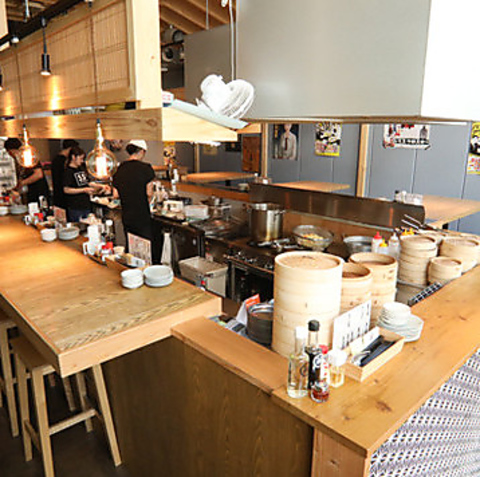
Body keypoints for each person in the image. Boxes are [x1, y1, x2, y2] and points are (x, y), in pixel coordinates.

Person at [112, 140, 155, 242]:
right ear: (142, 151)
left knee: (131, 243)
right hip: (141, 215)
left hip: (127, 215)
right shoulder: (146, 168)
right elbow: (149, 193)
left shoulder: (120, 168)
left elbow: (115, 194)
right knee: (144, 245)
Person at [63, 146, 104, 222]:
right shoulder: (68, 172)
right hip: (75, 207)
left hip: (86, 204)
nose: (82, 161)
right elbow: (66, 190)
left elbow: (87, 182)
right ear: (73, 157)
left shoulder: (81, 168)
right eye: (80, 158)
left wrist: (100, 186)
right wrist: (84, 190)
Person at [4, 137, 50, 204]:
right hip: (30, 193)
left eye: (9, 152)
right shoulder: (19, 160)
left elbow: (39, 174)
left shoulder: (28, 156)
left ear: (12, 150)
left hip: (39, 192)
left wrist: (22, 183)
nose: (10, 154)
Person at [51, 139, 79, 209]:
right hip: (63, 196)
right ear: (70, 149)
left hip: (57, 194)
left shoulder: (55, 159)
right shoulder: (63, 161)